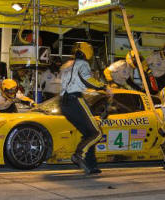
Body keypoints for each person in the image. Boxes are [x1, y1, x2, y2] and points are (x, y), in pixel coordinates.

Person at [60, 42, 112, 175]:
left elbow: (72, 82)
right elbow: (87, 79)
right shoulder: (83, 64)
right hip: (75, 100)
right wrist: (104, 87)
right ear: (87, 52)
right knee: (97, 133)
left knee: (89, 134)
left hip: (64, 104)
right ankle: (79, 155)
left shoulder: (67, 65)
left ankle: (91, 165)